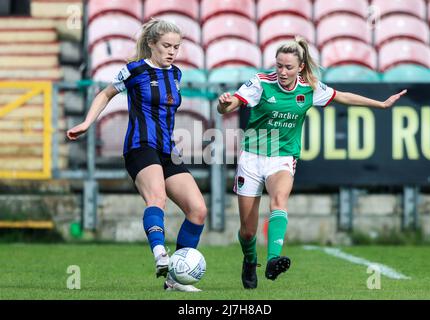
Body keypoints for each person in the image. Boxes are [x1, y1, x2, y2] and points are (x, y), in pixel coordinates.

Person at [217, 36, 407, 289]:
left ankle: (274, 260)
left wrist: (380, 104)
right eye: (279, 66)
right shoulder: (260, 83)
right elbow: (231, 105)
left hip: (283, 157)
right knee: (248, 231)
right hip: (252, 157)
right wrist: (223, 104)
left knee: (279, 201)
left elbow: (343, 97)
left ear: (300, 67)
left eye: (288, 67)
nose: (282, 72)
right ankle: (250, 260)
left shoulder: (309, 88)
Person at [67, 19, 207, 292]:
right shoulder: (135, 70)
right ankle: (160, 255)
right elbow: (105, 95)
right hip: (140, 147)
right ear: (152, 44)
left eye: (176, 47)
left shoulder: (176, 74)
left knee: (198, 210)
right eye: (166, 46)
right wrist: (86, 122)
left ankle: (174, 280)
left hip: (168, 150)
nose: (172, 52)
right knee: (157, 198)